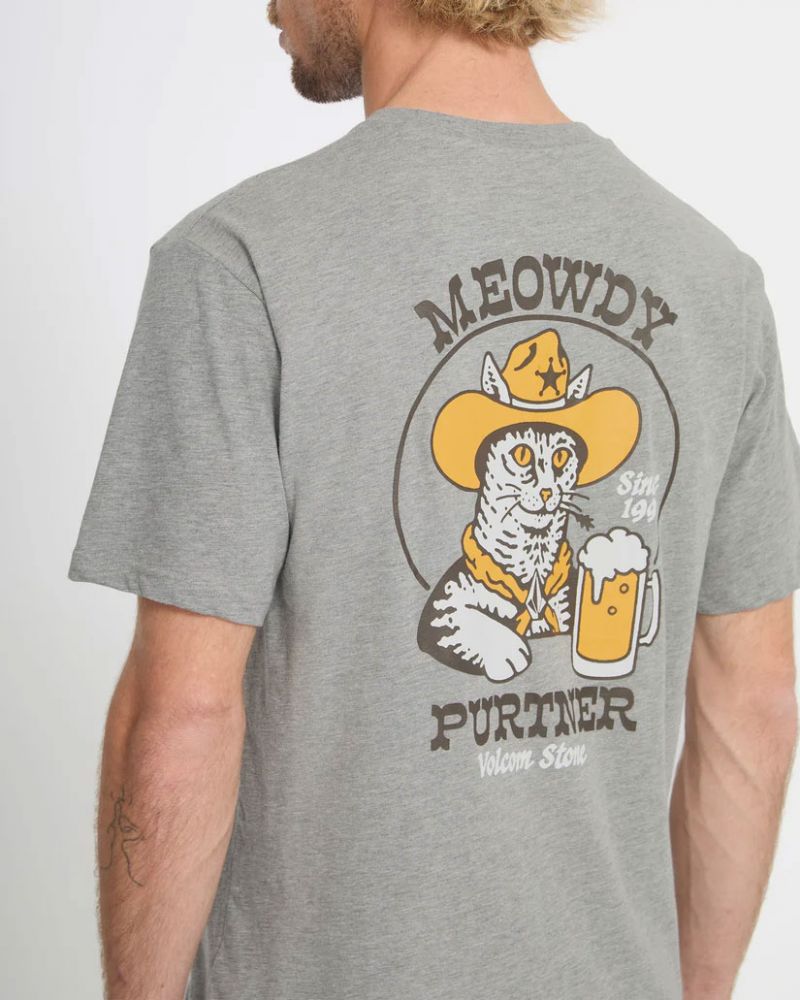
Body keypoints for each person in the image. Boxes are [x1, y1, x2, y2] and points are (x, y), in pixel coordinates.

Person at [69, 0, 800, 997]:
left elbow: (182, 714)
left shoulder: (239, 262)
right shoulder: (716, 282)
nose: (269, 5)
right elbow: (753, 701)